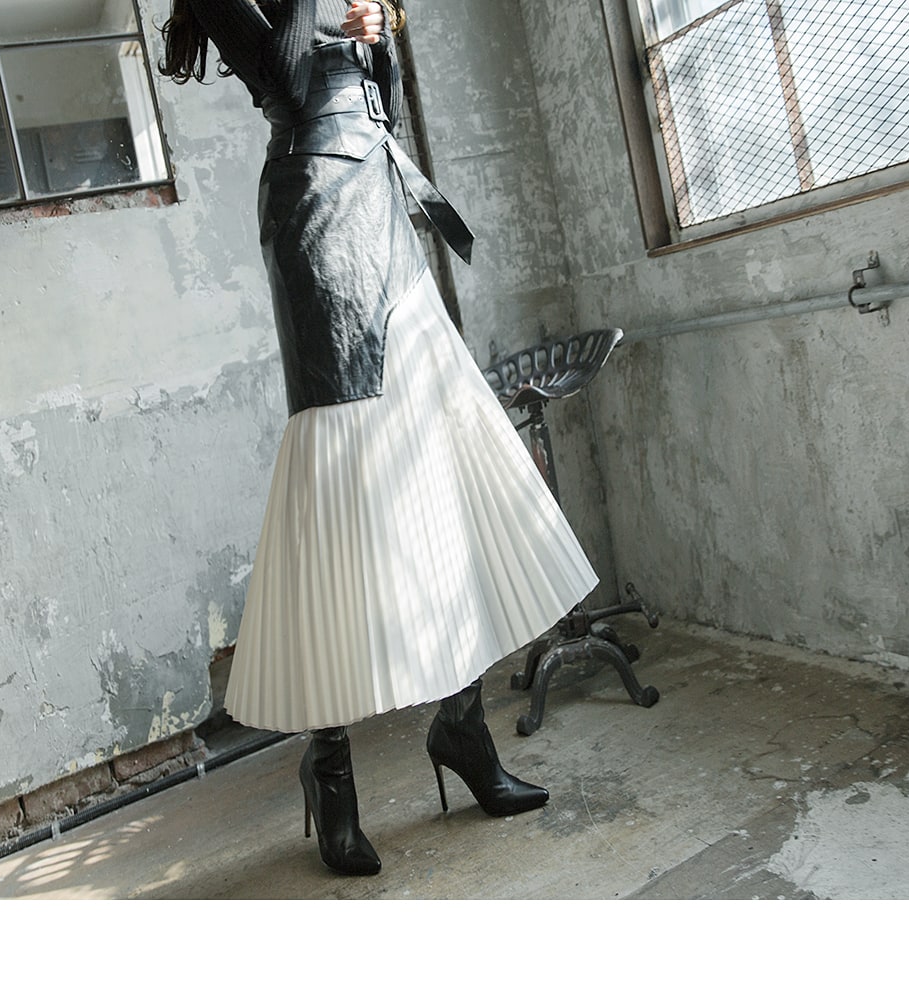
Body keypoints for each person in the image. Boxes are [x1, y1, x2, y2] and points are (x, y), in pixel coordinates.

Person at [159, 0, 600, 876]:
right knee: (338, 482)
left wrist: (380, 33)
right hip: (314, 209)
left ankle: (463, 728)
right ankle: (330, 771)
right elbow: (289, 81)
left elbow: (381, 104)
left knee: (437, 459)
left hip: (380, 197)